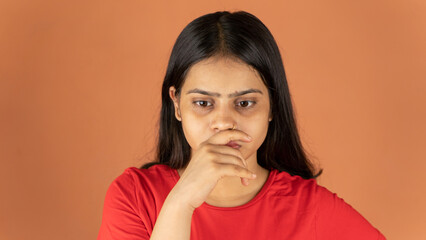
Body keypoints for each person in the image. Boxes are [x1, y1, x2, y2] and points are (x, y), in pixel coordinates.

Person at [97, 10, 386, 240]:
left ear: (272, 106)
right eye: (203, 103)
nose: (223, 122)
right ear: (176, 104)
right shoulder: (133, 197)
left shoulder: (310, 208)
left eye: (245, 103)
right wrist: (180, 203)